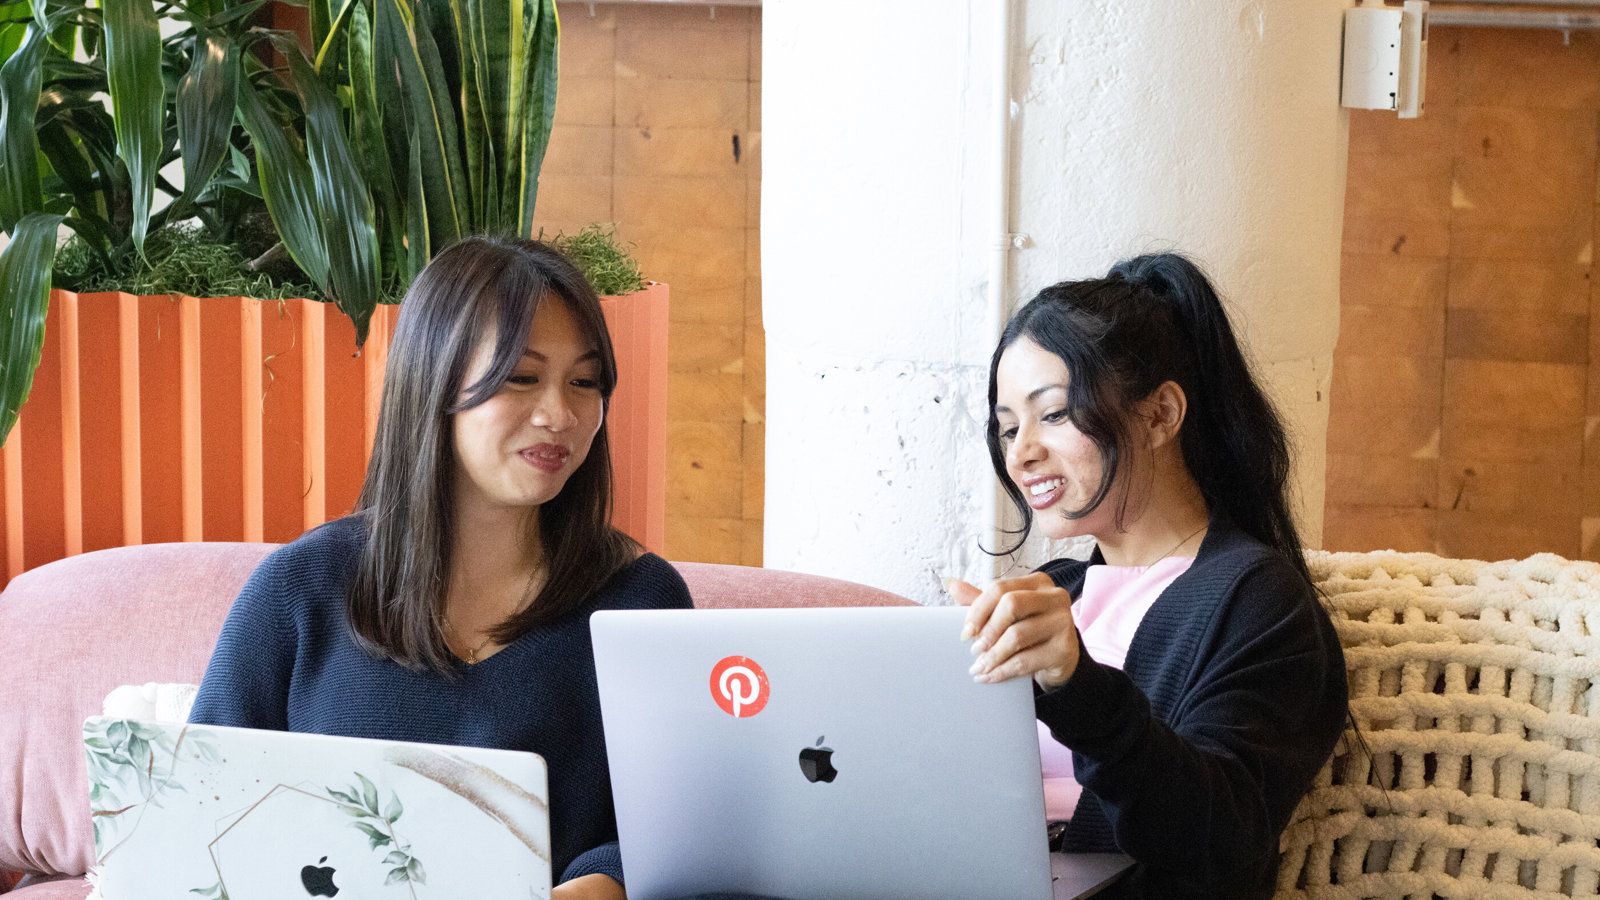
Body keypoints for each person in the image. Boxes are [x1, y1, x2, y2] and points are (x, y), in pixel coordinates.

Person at [189, 235, 691, 900]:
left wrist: (601, 885)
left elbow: (682, 827)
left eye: (584, 382)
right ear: (434, 380)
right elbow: (195, 813)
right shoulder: (300, 589)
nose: (560, 415)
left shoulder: (641, 603)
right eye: (521, 377)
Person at [949, 253, 1348, 899]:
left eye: (1052, 415)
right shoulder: (1059, 594)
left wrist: (1077, 684)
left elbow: (1215, 836)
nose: (1021, 453)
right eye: (1008, 427)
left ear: (1160, 414)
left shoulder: (1255, 598)